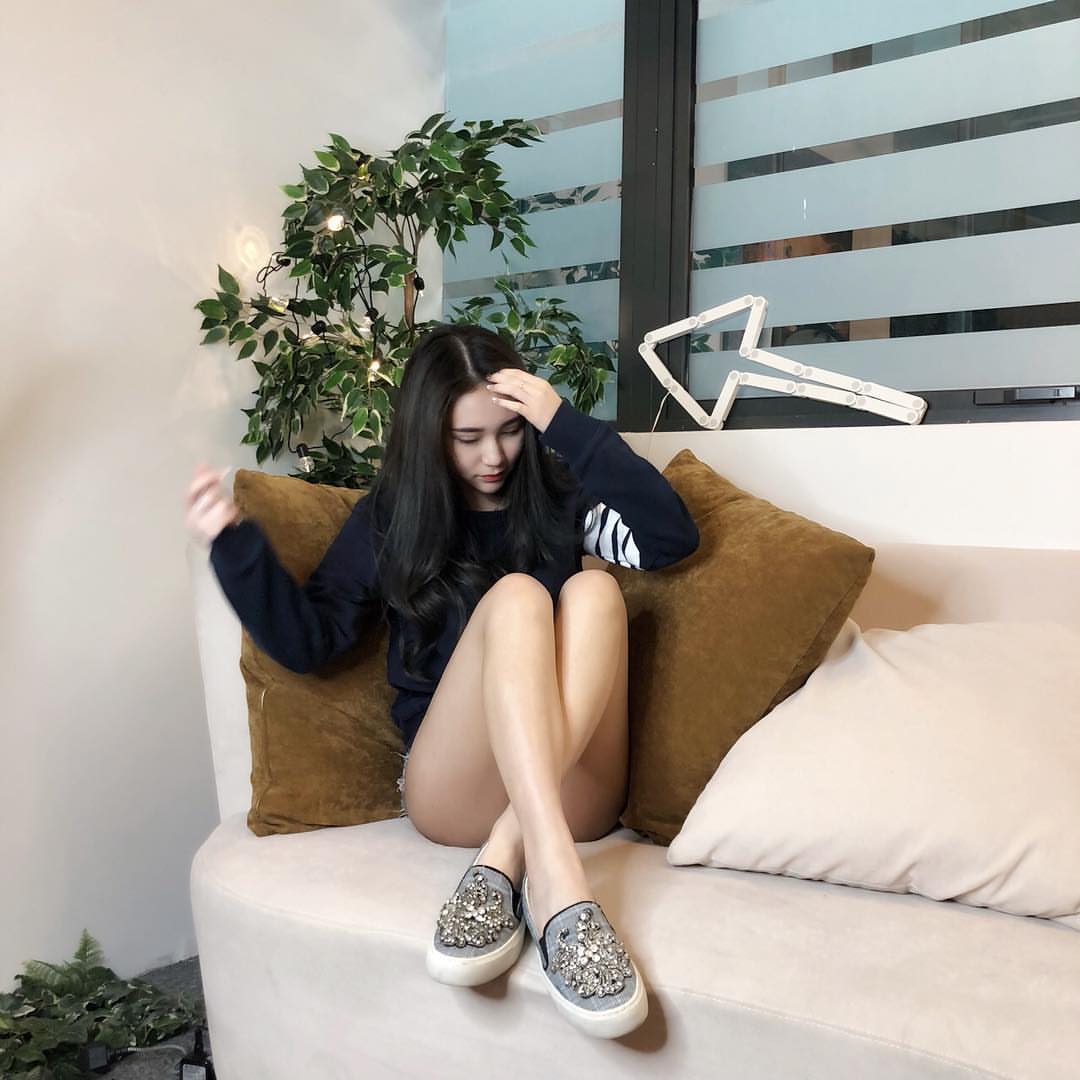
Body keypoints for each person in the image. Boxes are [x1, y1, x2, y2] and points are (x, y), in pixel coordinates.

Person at [185, 323, 699, 1039]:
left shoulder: (559, 499)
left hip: (575, 791)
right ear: (430, 436)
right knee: (519, 598)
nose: (494, 457)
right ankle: (560, 886)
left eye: (510, 431)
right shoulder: (393, 519)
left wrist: (565, 424)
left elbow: (670, 539)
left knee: (595, 592)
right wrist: (234, 544)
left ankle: (512, 852)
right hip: (453, 792)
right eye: (467, 438)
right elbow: (310, 643)